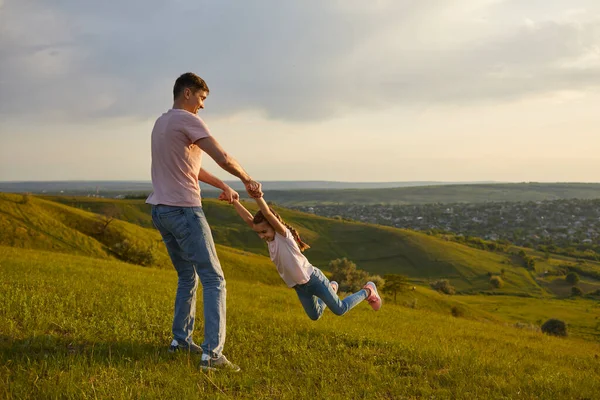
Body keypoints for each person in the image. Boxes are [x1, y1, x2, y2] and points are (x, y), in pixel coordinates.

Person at [146, 72, 262, 372]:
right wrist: (247, 178)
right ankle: (212, 356)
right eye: (201, 98)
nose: (202, 105)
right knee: (214, 279)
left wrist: (223, 186)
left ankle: (180, 341)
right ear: (187, 93)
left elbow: (191, 168)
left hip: (160, 210)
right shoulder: (189, 121)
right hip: (184, 210)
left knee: (188, 276)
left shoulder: (161, 123)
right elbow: (222, 156)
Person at [220, 193, 382, 321]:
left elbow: (268, 215)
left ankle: (368, 291)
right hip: (300, 287)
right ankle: (332, 288)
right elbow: (250, 221)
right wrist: (234, 201)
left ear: (275, 226)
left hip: (313, 279)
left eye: (264, 232)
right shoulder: (271, 241)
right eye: (259, 233)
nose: (262, 236)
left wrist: (257, 197)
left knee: (339, 309)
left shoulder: (284, 237)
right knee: (315, 316)